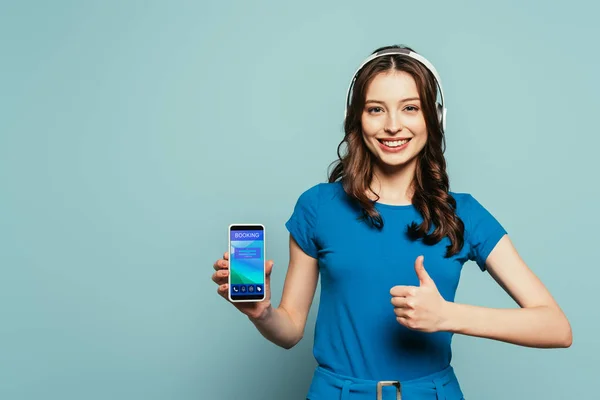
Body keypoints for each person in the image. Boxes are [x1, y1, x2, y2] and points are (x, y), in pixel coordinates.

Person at [211, 44, 572, 400]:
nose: (392, 126)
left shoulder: (465, 214)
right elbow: (289, 330)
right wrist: (261, 313)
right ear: (356, 118)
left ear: (435, 117)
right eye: (376, 110)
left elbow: (556, 327)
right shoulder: (318, 206)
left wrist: (447, 315)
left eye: (410, 108)